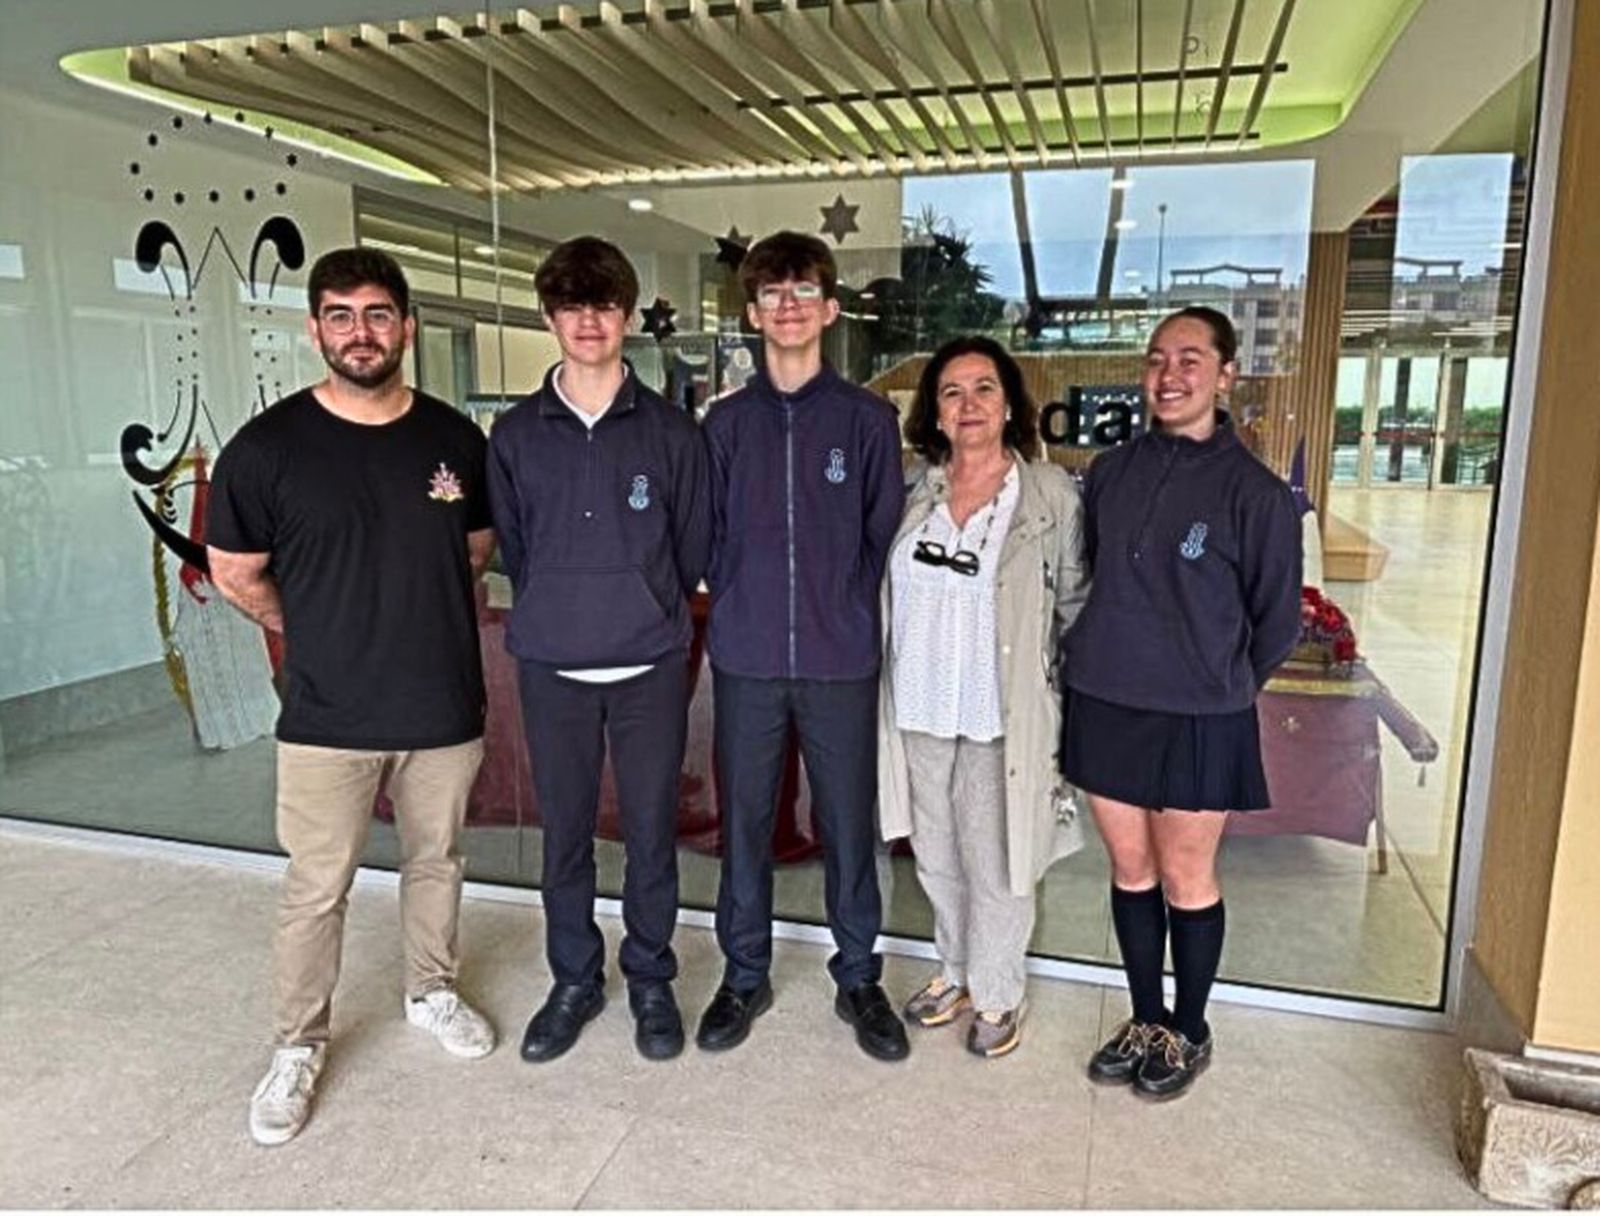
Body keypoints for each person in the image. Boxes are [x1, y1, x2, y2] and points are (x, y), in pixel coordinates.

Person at [207, 247, 497, 1147]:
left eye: (378, 314)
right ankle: (297, 1046)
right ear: (315, 329)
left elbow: (475, 551)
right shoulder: (267, 449)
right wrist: (321, 627)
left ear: (406, 327)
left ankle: (431, 991)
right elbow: (234, 572)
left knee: (436, 859)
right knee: (315, 886)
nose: (360, 332)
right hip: (328, 714)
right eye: (340, 315)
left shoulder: (454, 439)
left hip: (441, 705)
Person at [1062, 306, 1302, 1099]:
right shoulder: (1112, 472)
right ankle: (1144, 1017)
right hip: (1106, 695)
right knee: (1131, 870)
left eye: (1190, 359)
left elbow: (1276, 620)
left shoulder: (1257, 495)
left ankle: (1189, 1029)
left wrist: (1218, 681)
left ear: (1226, 374)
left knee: (1186, 877)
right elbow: (1099, 573)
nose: (1170, 374)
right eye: (1158, 359)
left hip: (1202, 712)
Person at [486, 237, 710, 1064]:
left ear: (625, 318)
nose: (589, 320)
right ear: (550, 317)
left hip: (648, 663)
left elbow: (689, 549)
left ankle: (650, 977)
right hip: (552, 665)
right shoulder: (513, 435)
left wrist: (643, 603)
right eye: (572, 306)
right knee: (566, 836)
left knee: (652, 831)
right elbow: (515, 544)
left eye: (605, 304)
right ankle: (574, 978)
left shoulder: (671, 434)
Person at [697, 231, 909, 1062]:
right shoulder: (724, 424)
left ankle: (859, 975)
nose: (788, 307)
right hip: (747, 658)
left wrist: (841, 612)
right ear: (752, 314)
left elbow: (880, 536)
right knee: (744, 824)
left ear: (828, 307)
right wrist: (746, 598)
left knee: (848, 828)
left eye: (802, 291)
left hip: (840, 662)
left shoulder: (865, 420)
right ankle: (742, 972)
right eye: (771, 295)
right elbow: (706, 534)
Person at [877, 336, 1089, 1059]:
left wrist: (1059, 702)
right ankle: (956, 971)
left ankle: (999, 992)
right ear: (934, 412)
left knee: (1000, 859)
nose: (968, 405)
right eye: (952, 392)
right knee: (935, 853)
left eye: (984, 389)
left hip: (1002, 714)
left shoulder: (1049, 495)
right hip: (918, 705)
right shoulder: (914, 487)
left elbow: (1075, 605)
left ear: (1010, 406)